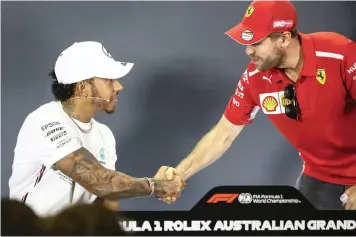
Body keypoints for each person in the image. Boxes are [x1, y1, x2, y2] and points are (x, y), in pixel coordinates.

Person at [155, 0, 356, 210]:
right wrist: (180, 174)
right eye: (246, 43)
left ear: (284, 38)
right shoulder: (255, 77)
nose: (248, 51)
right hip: (319, 177)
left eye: (256, 42)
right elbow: (223, 133)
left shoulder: (340, 54)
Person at [8, 41, 185, 217]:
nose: (119, 87)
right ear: (83, 88)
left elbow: (106, 198)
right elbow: (101, 181)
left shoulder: (104, 135)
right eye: (109, 80)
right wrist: (155, 186)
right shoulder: (45, 120)